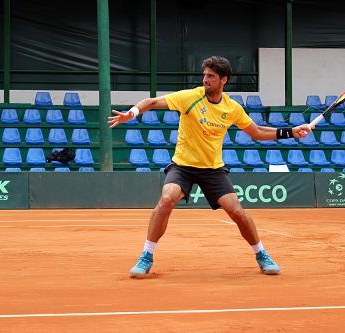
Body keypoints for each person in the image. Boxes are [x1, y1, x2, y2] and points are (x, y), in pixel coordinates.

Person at [108, 56, 312, 278]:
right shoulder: (190, 97)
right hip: (183, 166)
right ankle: (146, 255)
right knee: (167, 199)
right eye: (204, 75)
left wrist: (289, 132)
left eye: (211, 76)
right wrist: (132, 113)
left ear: (223, 80)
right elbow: (150, 102)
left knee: (236, 211)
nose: (205, 79)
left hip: (212, 169)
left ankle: (261, 254)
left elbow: (257, 132)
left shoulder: (231, 108)